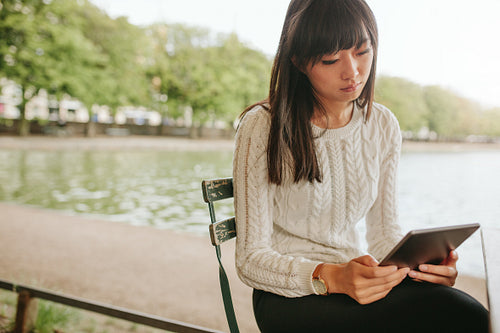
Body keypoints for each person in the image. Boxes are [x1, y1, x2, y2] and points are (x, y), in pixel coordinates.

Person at [232, 0, 489, 332]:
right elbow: (250, 260)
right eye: (330, 59)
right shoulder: (263, 126)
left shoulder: (382, 124)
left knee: (466, 313)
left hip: (358, 281)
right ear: (298, 61)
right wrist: (333, 276)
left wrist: (419, 266)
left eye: (362, 52)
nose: (352, 72)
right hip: (290, 294)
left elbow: (383, 235)